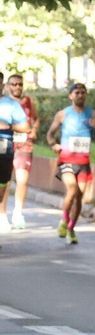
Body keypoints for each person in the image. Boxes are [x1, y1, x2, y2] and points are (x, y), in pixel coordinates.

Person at [45, 83, 95, 245]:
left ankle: (71, 229)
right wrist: (54, 145)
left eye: (83, 92)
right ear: (70, 96)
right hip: (66, 158)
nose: (80, 95)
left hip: (83, 161)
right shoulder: (63, 114)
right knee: (71, 189)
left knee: (80, 196)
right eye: (77, 92)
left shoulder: (93, 114)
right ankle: (64, 220)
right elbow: (50, 134)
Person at [4, 74, 37, 228]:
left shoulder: (28, 101)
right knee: (4, 181)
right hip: (6, 144)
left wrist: (34, 129)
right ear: (7, 86)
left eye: (20, 84)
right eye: (14, 84)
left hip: (24, 144)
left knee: (22, 179)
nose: (17, 87)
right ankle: (2, 215)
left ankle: (18, 212)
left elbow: (35, 119)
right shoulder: (4, 103)